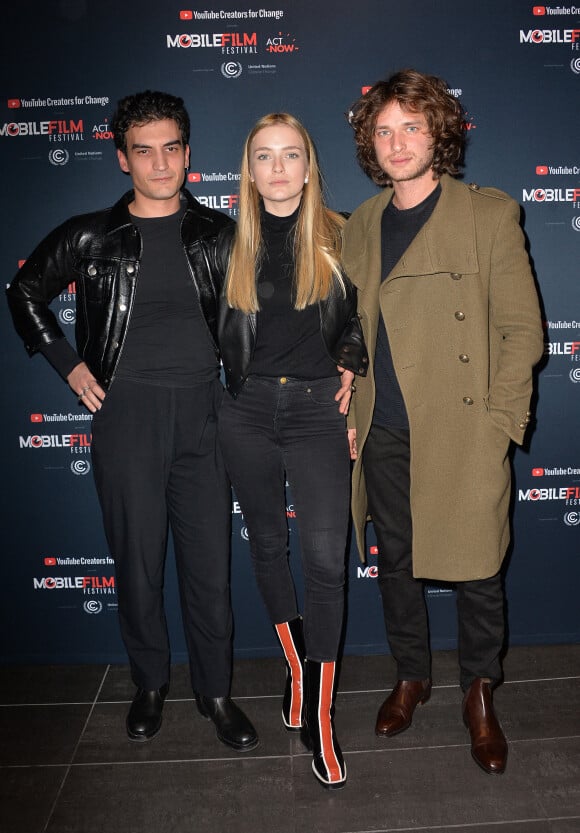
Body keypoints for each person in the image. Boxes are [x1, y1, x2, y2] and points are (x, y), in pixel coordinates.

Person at [6, 90, 257, 752]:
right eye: (143, 151)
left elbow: (264, 313)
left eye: (171, 147)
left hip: (206, 412)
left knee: (209, 568)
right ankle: (150, 683)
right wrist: (69, 365)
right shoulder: (91, 235)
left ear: (188, 154)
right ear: (122, 158)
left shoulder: (222, 235)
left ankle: (217, 691)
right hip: (127, 417)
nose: (159, 162)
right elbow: (24, 290)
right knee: (138, 563)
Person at [342, 69, 543, 775]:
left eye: (411, 127)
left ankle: (480, 692)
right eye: (383, 130)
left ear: (440, 134)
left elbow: (524, 332)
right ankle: (411, 673)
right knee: (397, 562)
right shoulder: (362, 223)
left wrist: (498, 425)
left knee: (479, 569)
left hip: (462, 426)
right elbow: (355, 325)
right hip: (385, 427)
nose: (396, 143)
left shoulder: (488, 215)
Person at [215, 113, 368, 788]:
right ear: (249, 171)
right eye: (264, 156)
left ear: (309, 166)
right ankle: (299, 671)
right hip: (245, 412)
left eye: (290, 155)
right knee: (268, 548)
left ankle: (323, 716)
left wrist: (354, 376)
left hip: (316, 412)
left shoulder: (343, 234)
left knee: (325, 561)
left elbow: (367, 322)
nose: (278, 168)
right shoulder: (224, 245)